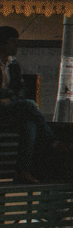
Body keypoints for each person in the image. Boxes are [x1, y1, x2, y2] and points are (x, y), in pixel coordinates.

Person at [0, 26, 52, 184]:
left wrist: (9, 98)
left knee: (29, 125)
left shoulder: (13, 64)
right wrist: (9, 96)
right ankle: (51, 140)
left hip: (8, 108)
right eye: (13, 43)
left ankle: (22, 171)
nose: (16, 46)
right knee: (29, 104)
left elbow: (20, 88)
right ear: (2, 43)